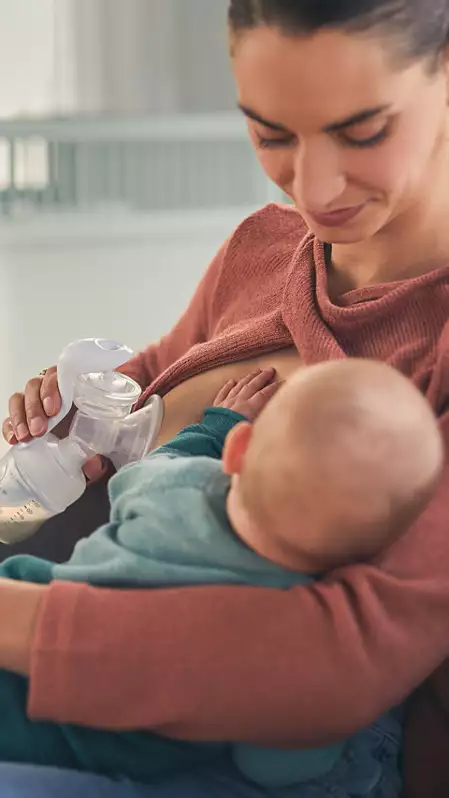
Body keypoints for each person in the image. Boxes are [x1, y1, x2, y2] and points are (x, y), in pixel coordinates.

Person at [1, 0, 449, 795]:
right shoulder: (262, 247)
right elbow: (147, 383)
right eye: (271, 132)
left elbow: (336, 664)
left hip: (171, 744)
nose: (311, 185)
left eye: (363, 130)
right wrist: (69, 404)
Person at [0, 360, 440, 792]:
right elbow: (273, 766)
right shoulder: (286, 636)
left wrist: (220, 424)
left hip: (33, 620)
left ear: (238, 450)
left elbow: (146, 469)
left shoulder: (170, 484)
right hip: (80, 742)